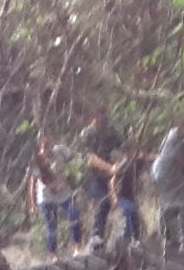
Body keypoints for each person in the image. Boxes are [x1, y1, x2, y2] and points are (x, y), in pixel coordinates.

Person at [31, 132, 81, 256]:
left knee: (73, 215)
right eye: (44, 145)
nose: (47, 147)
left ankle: (77, 247)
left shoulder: (60, 151)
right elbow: (33, 182)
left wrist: (76, 163)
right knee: (51, 225)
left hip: (64, 192)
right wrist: (32, 203)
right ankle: (53, 254)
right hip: (47, 196)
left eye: (49, 143)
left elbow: (74, 157)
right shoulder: (37, 160)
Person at [151, 124, 184, 257]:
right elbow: (181, 161)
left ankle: (165, 237)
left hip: (157, 168)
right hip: (167, 171)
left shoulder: (169, 137)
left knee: (166, 203)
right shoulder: (176, 139)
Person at [82, 109, 122, 243]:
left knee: (113, 201)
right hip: (91, 175)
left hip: (108, 175)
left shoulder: (110, 132)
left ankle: (111, 235)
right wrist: (110, 167)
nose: (104, 120)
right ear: (94, 117)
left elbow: (122, 145)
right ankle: (96, 234)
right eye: (101, 117)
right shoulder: (87, 135)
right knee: (103, 200)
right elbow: (90, 158)